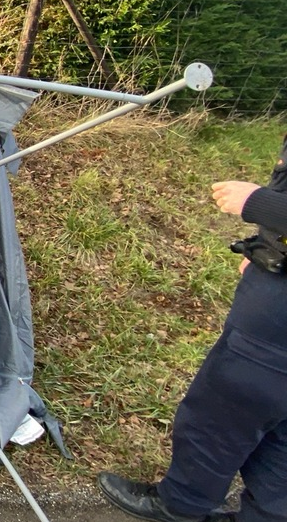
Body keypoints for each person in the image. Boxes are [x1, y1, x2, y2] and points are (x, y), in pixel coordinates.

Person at [97, 134, 287, 522]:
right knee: (281, 432)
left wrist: (257, 203)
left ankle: (180, 504)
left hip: (275, 324)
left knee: (223, 410)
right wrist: (266, 248)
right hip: (275, 288)